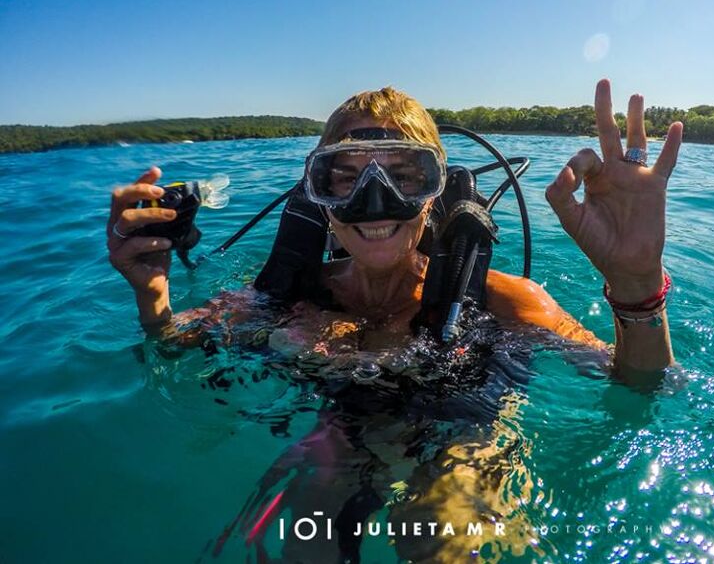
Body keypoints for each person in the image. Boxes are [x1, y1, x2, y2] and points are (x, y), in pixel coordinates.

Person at [105, 79, 684, 561]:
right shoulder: (282, 297)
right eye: (346, 175)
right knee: (306, 537)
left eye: (404, 176)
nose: (374, 200)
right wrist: (153, 300)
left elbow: (641, 384)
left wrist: (636, 287)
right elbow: (175, 346)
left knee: (443, 528)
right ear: (318, 195)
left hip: (468, 431)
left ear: (434, 194)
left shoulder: (507, 300)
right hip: (345, 430)